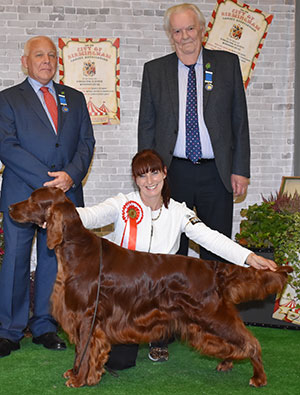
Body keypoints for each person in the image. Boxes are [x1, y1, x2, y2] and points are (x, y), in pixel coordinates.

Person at [76, 149, 277, 369]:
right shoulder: (122, 204)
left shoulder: (179, 211)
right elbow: (89, 216)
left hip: (165, 292)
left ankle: (160, 337)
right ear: (135, 180)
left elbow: (210, 237)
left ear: (164, 173)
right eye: (142, 175)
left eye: (154, 173)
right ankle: (143, 336)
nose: (149, 181)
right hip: (127, 293)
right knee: (119, 362)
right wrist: (59, 211)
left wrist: (248, 257)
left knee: (198, 314)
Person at [0, 36, 95, 358]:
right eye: (39, 55)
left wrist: (71, 175)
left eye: (51, 55)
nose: (46, 60)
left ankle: (44, 325)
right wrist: (48, 182)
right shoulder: (8, 99)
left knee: (54, 260)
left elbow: (86, 143)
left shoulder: (76, 98)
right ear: (25, 61)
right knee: (15, 258)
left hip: (66, 193)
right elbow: (6, 146)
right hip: (23, 195)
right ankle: (9, 330)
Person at [138, 3, 250, 261]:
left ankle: (215, 302)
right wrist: (148, 174)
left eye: (190, 28)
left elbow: (239, 121)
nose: (184, 36)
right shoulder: (154, 71)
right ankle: (174, 302)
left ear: (202, 29)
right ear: (170, 35)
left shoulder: (227, 65)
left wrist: (241, 169)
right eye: (177, 31)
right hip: (172, 171)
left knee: (217, 248)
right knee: (172, 249)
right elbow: (147, 125)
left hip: (217, 172)